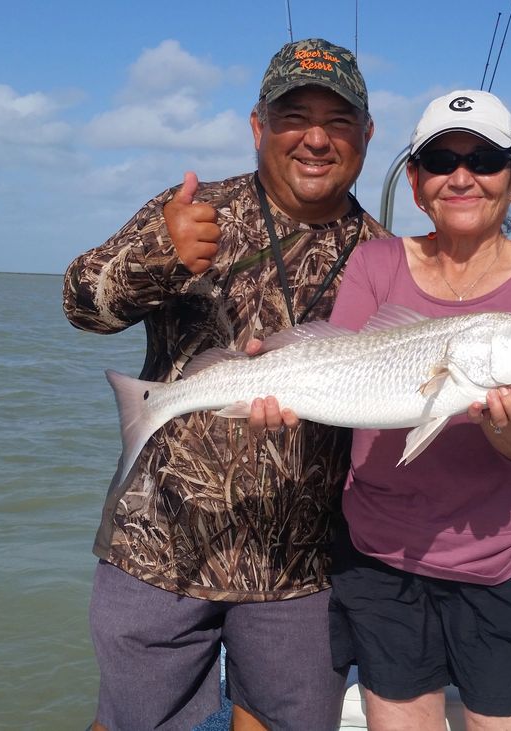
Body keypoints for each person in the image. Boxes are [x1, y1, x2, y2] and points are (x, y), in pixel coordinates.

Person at [62, 38, 389, 731]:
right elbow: (81, 306)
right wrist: (159, 256)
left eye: (338, 121)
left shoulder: (385, 257)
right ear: (256, 126)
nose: (316, 138)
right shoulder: (193, 211)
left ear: (367, 134)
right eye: (294, 117)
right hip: (162, 537)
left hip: (300, 561)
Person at [326, 90, 511, 729]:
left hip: (509, 556)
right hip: (383, 552)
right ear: (416, 183)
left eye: (486, 160)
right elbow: (337, 372)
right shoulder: (375, 261)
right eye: (441, 161)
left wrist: (509, 421)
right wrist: (266, 385)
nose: (462, 177)